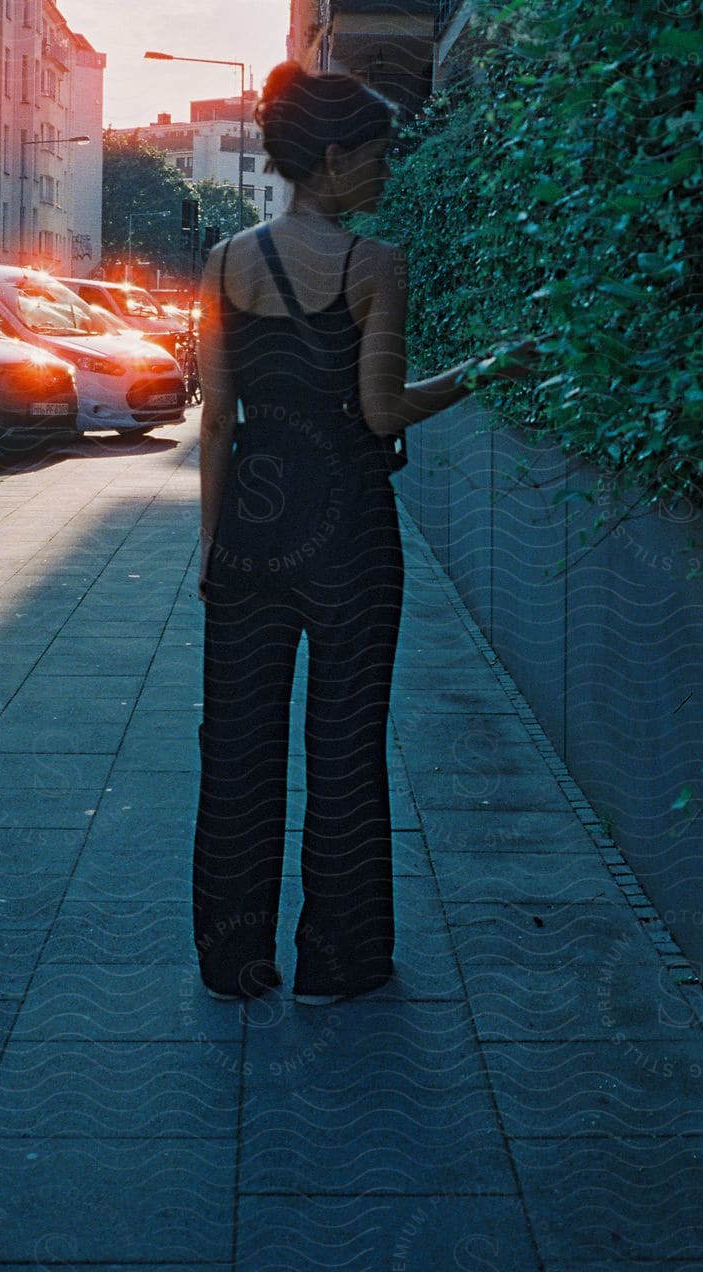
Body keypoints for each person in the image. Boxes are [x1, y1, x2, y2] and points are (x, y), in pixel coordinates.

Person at [191, 60, 535, 1004]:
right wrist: (484, 368)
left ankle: (234, 960)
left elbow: (216, 420)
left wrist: (216, 550)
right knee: (345, 743)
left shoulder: (224, 264)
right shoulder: (375, 266)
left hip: (256, 530)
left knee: (237, 747)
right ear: (334, 158)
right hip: (348, 532)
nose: (387, 171)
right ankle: (338, 962)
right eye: (376, 154)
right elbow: (381, 414)